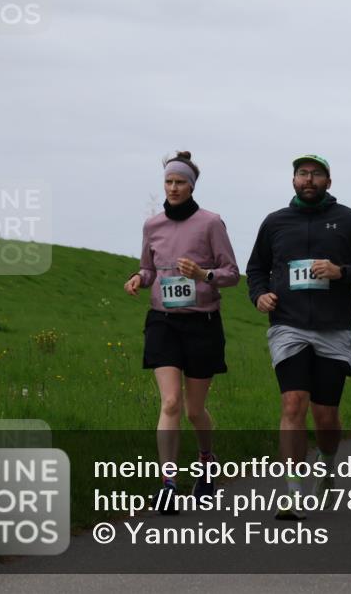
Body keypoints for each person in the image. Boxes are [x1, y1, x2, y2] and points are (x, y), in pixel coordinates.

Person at [246, 154, 351, 520]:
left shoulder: (349, 220)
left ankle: (327, 462)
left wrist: (341, 271)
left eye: (316, 174)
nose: (309, 179)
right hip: (287, 325)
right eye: (302, 174)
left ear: (328, 181)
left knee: (326, 416)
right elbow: (256, 268)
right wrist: (259, 294)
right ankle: (291, 493)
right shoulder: (276, 222)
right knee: (293, 404)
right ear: (293, 180)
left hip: (334, 329)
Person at [124, 151, 240, 513]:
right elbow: (148, 268)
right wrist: (138, 279)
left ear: (191, 186)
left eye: (179, 182)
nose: (173, 188)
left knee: (194, 410)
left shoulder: (211, 223)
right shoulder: (152, 225)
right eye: (168, 182)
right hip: (163, 321)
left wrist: (204, 275)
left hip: (202, 323)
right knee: (170, 402)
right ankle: (168, 483)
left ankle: (207, 460)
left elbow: (232, 273)